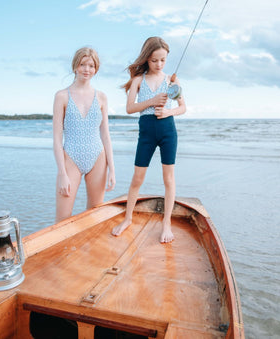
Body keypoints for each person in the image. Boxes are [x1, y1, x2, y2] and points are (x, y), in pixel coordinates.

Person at [112, 36, 186, 243]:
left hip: (167, 132)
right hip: (146, 133)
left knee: (168, 179)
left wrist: (167, 113)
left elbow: (182, 107)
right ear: (147, 58)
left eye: (163, 60)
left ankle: (166, 223)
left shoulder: (171, 80)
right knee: (137, 179)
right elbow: (129, 108)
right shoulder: (138, 80)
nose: (159, 64)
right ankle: (128, 219)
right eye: (155, 60)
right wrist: (152, 101)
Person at [53, 47, 116, 222]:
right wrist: (61, 173)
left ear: (96, 69)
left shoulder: (102, 97)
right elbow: (57, 138)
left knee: (93, 218)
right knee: (62, 220)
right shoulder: (62, 96)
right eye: (82, 64)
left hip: (97, 157)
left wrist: (112, 168)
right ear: (75, 66)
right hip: (70, 158)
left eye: (91, 65)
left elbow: (105, 135)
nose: (86, 69)